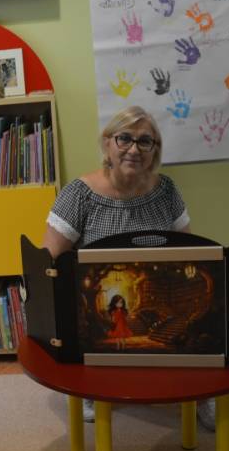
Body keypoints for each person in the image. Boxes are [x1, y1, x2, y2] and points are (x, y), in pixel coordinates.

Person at [42, 105, 215, 431]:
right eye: (125, 138)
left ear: (154, 151)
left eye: (144, 141)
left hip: (161, 289)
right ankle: (84, 385)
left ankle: (202, 392)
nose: (134, 149)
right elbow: (49, 261)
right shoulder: (78, 195)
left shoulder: (166, 191)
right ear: (108, 143)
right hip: (90, 305)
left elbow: (189, 250)